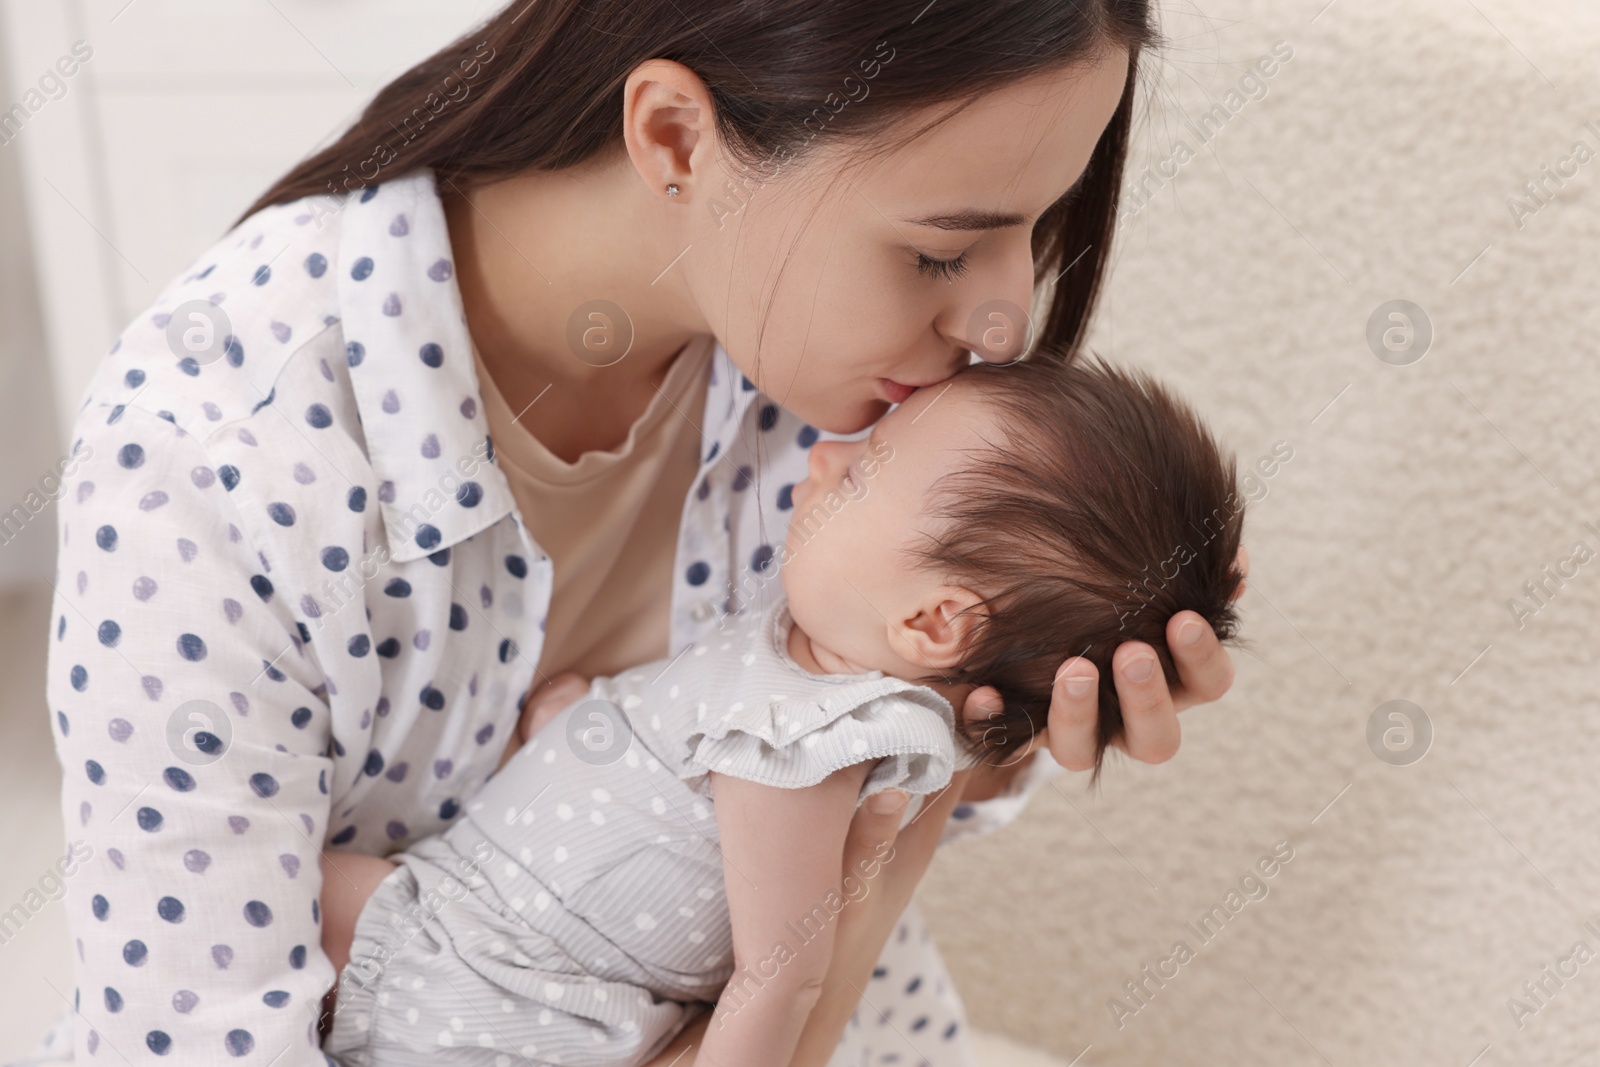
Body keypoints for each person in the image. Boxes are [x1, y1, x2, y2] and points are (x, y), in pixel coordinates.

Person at [28, 1, 1246, 1063]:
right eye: (939, 248)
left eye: (1034, 230)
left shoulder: (859, 386)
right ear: (674, 136)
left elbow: (856, 811)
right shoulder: (213, 458)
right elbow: (190, 1031)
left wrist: (1015, 695)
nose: (998, 317)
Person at [313, 357, 1247, 1066]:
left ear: (929, 620)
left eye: (862, 472)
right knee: (268, 886)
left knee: (281, 893)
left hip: (518, 1000)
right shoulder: (800, 656)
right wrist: (580, 718)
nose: (828, 457)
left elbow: (780, 971)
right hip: (467, 916)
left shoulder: (804, 747)